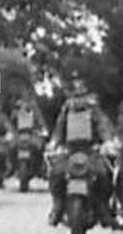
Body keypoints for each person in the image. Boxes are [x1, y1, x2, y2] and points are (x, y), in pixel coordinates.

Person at [46, 76, 118, 226]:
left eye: (80, 96)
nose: (78, 100)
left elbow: (102, 126)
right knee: (56, 173)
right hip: (70, 151)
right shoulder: (66, 111)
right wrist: (53, 143)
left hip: (90, 151)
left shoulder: (93, 110)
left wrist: (108, 142)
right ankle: (57, 207)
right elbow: (59, 129)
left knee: (104, 174)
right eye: (75, 96)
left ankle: (103, 207)